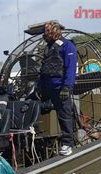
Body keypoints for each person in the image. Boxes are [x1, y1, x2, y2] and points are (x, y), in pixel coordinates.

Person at [37, 21, 77, 156]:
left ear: (55, 32)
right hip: (47, 88)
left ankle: (67, 144)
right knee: (37, 110)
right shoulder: (48, 48)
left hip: (61, 88)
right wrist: (39, 87)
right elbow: (43, 69)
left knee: (64, 116)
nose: (45, 34)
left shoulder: (68, 46)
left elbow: (70, 69)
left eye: (47, 32)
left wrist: (66, 87)